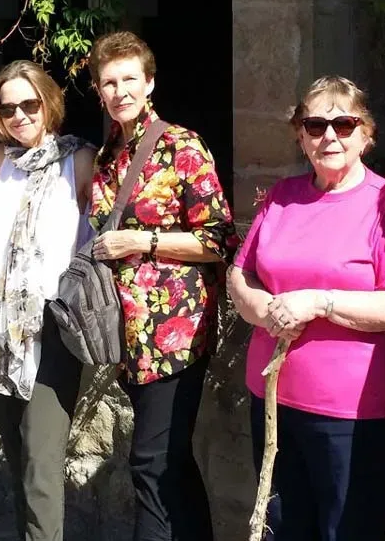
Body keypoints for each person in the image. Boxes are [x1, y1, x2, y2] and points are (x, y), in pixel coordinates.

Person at [228, 74, 385, 541]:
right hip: (273, 400)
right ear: (300, 135)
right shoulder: (282, 197)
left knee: (346, 530)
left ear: (367, 135)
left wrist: (320, 302)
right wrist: (261, 307)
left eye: (344, 124)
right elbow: (240, 273)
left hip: (350, 411)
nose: (329, 136)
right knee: (285, 528)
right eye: (315, 126)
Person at [87, 31, 237, 541]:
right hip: (129, 333)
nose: (120, 90)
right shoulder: (109, 154)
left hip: (174, 332)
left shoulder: (180, 145)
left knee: (150, 461)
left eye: (130, 78)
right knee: (168, 460)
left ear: (150, 83)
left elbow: (219, 239)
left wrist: (141, 240)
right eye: (109, 82)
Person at [0, 60, 95, 541]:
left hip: (52, 324)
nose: (20, 114)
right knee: (17, 455)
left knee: (41, 462)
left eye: (30, 103)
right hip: (2, 327)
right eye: (8, 107)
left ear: (49, 102)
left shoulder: (79, 159)